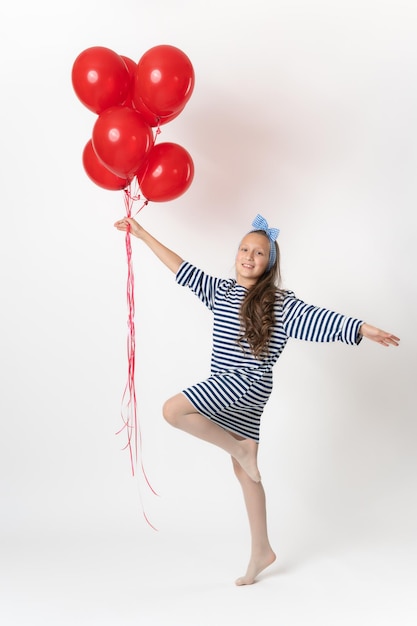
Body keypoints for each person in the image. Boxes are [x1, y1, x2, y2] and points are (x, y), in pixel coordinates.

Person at [114, 213, 400, 586]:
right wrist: (141, 232)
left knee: (173, 410)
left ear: (270, 264)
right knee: (245, 473)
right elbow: (181, 267)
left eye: (260, 253)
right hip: (239, 388)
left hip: (245, 383)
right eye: (244, 249)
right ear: (236, 254)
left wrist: (362, 328)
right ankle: (261, 550)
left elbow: (322, 319)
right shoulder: (220, 291)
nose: (249, 256)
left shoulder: (279, 302)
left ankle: (239, 450)